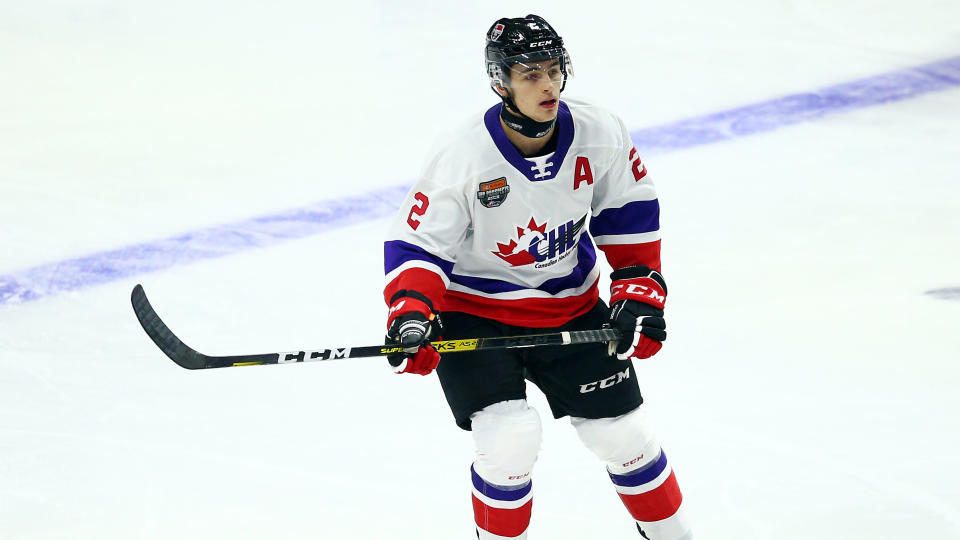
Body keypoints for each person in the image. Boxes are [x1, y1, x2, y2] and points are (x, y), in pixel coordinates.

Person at [383, 14, 692, 540]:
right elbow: (420, 245)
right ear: (500, 81)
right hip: (474, 314)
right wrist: (412, 313)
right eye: (530, 74)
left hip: (569, 303)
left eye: (553, 70)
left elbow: (629, 213)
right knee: (509, 442)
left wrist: (639, 289)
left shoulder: (600, 131)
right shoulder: (463, 154)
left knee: (626, 435)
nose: (547, 85)